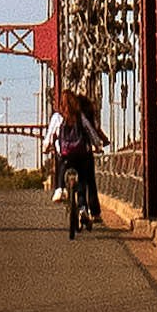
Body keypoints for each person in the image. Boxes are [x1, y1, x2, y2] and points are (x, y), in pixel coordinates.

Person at [44, 95, 103, 236]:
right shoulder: (80, 116)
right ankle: (83, 209)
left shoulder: (57, 117)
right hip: (82, 154)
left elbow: (49, 135)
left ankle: (60, 189)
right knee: (82, 182)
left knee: (61, 161)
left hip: (65, 155)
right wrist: (98, 145)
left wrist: (45, 147)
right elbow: (90, 131)